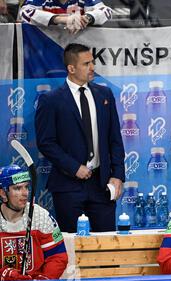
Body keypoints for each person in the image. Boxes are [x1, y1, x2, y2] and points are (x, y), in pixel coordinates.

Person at [35, 43, 125, 233]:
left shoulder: (104, 94)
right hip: (68, 186)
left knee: (107, 244)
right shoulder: (51, 100)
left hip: (102, 185)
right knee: (71, 248)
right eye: (86, 63)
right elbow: (46, 143)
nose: (92, 67)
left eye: (92, 62)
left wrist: (117, 175)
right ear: (71, 68)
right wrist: (74, 167)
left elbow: (115, 139)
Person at [0, 165, 68, 281]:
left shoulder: (41, 215)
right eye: (17, 188)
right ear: (2, 193)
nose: (25, 193)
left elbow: (58, 256)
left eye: (26, 187)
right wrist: (5, 274)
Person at [19, 0, 112, 34]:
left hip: (78, 52)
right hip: (46, 52)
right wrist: (61, 19)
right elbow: (24, 13)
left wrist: (86, 18)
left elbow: (107, 11)